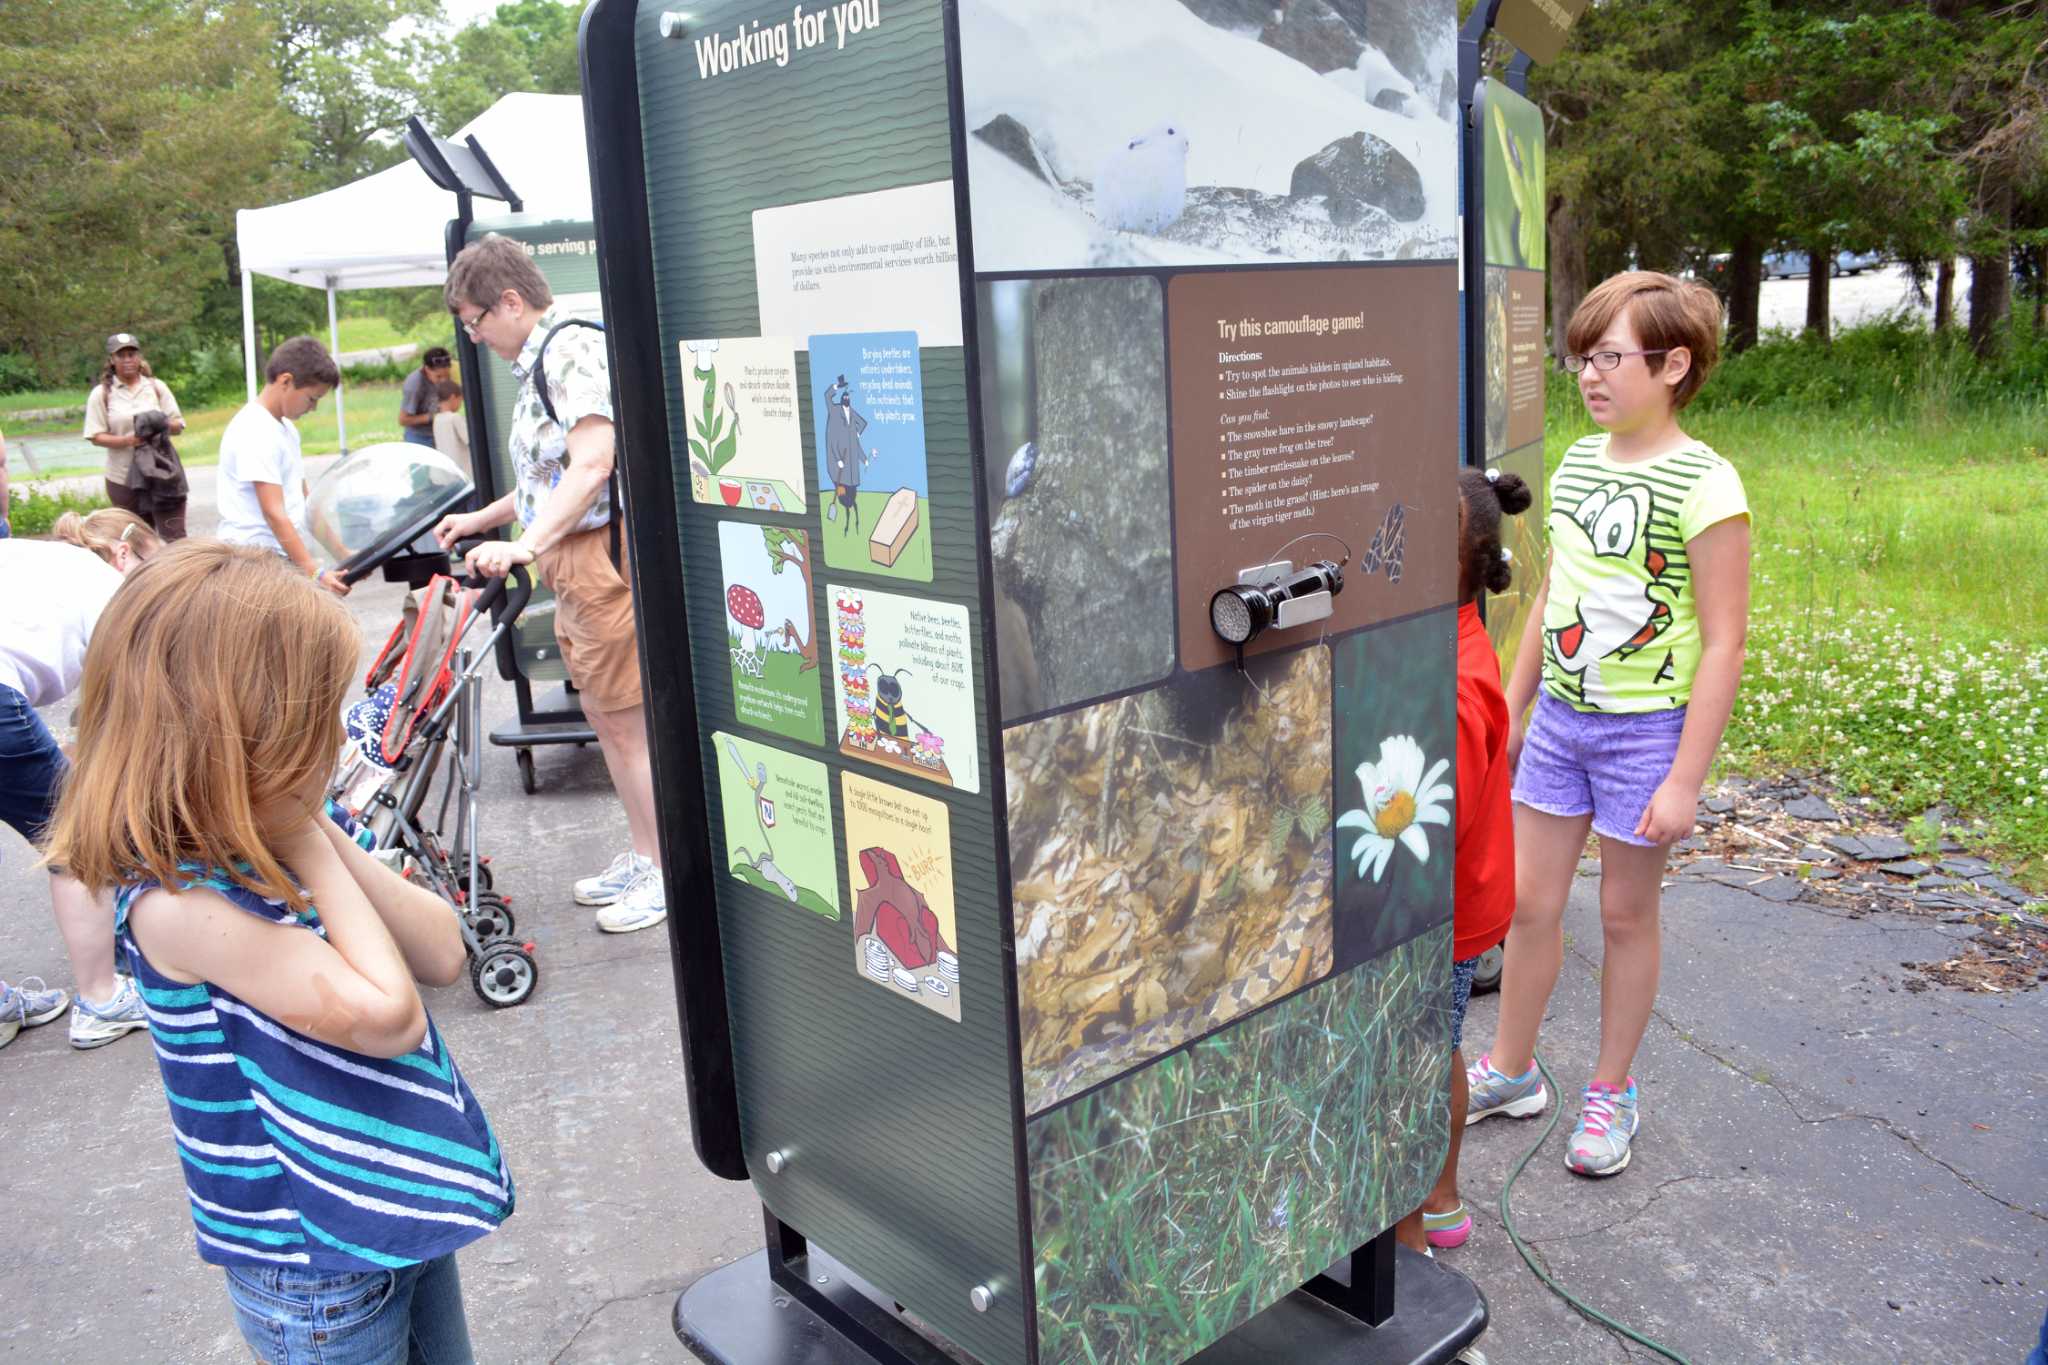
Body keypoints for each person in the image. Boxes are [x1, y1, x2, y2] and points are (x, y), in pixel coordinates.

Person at [41, 541, 511, 1359]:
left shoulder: (276, 836)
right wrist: (303, 830)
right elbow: (390, 1015)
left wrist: (312, 822)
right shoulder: (176, 904)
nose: (333, 734)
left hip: (392, 1213)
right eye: (312, 718)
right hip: (315, 1269)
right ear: (241, 737)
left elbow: (441, 950)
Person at [1465, 272, 1750, 1177]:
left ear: (1674, 365)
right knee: (1531, 904)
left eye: (1610, 357)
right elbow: (1557, 593)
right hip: (1560, 725)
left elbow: (1725, 642)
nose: (1589, 374)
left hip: (1644, 735)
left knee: (1626, 916)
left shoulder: (1707, 483)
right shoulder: (1585, 460)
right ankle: (1511, 1070)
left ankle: (1611, 1089)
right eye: (1582, 357)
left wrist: (1685, 779)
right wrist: (1513, 706)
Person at [433, 234, 666, 934]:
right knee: (606, 719)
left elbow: (594, 464)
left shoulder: (565, 350)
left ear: (510, 301)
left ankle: (663, 870)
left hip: (595, 558)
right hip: (573, 558)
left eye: (475, 321)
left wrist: (524, 547)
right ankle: (646, 851)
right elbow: (547, 478)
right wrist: (487, 516)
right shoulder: (542, 357)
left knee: (625, 726)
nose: (474, 337)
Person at [1393, 467, 1531, 1255]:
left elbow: (1435, 822)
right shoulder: (1452, 642)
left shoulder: (1453, 679)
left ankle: (1411, 1231)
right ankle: (1441, 1198)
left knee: (1422, 1055)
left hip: (1446, 910)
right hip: (1461, 896)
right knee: (1437, 1046)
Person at [0, 520, 163, 1049]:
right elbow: (125, 720)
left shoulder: (37, 560)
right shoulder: (108, 587)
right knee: (78, 842)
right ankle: (102, 1000)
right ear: (122, 552)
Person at [217, 335, 350, 595]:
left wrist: (343, 554)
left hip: (280, 558)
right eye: (312, 398)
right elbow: (274, 513)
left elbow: (305, 503)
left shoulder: (285, 429)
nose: (313, 408)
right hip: (255, 562)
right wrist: (313, 571)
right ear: (285, 381)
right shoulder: (255, 429)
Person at [82, 331, 188, 539]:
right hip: (123, 477)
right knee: (136, 540)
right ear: (112, 360)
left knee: (174, 537)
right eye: (121, 355)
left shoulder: (156, 387)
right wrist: (128, 440)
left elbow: (179, 424)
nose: (127, 360)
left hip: (162, 473)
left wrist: (159, 423)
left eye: (132, 354)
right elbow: (95, 436)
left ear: (139, 357)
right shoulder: (102, 393)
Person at [399, 346, 454, 447]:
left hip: (440, 433)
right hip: (419, 438)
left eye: (447, 376)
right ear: (427, 369)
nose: (444, 381)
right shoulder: (414, 385)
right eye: (439, 377)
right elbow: (403, 420)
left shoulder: (449, 374)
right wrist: (432, 417)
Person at [431, 379, 472, 478]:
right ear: (453, 397)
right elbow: (469, 440)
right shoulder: (455, 418)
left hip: (445, 471)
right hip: (461, 470)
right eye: (460, 400)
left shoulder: (436, 418)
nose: (460, 404)